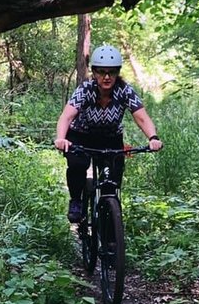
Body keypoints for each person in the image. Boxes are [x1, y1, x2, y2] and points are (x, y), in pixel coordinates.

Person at [54, 44, 163, 223]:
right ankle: (76, 201)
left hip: (110, 138)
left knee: (112, 179)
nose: (106, 77)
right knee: (77, 165)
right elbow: (66, 116)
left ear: (117, 73)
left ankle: (110, 226)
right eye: (101, 72)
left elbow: (142, 117)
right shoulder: (85, 90)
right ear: (94, 72)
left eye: (111, 72)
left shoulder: (124, 91)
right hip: (81, 135)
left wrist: (153, 138)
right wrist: (61, 138)